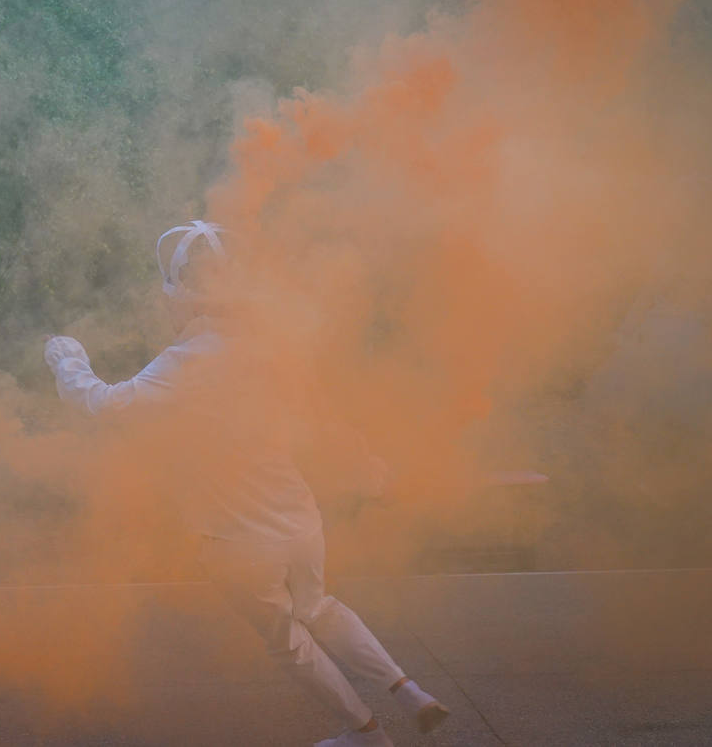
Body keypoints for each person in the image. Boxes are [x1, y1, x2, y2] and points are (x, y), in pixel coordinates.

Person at [43, 221, 448, 747]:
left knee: (289, 641)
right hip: (299, 519)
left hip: (238, 540)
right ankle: (409, 691)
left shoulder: (190, 360)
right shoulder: (269, 345)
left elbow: (107, 404)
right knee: (320, 607)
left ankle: (368, 736)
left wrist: (67, 359)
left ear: (183, 297)